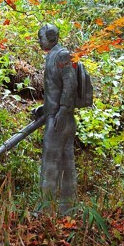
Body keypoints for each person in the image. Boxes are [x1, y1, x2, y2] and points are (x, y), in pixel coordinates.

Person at [37, 23, 77, 212]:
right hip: (57, 115)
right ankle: (66, 207)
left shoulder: (61, 55)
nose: (39, 41)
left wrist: (62, 110)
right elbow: (57, 88)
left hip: (60, 119)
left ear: (51, 37)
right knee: (65, 161)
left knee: (50, 161)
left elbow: (70, 84)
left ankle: (46, 208)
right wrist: (44, 108)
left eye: (41, 37)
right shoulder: (52, 55)